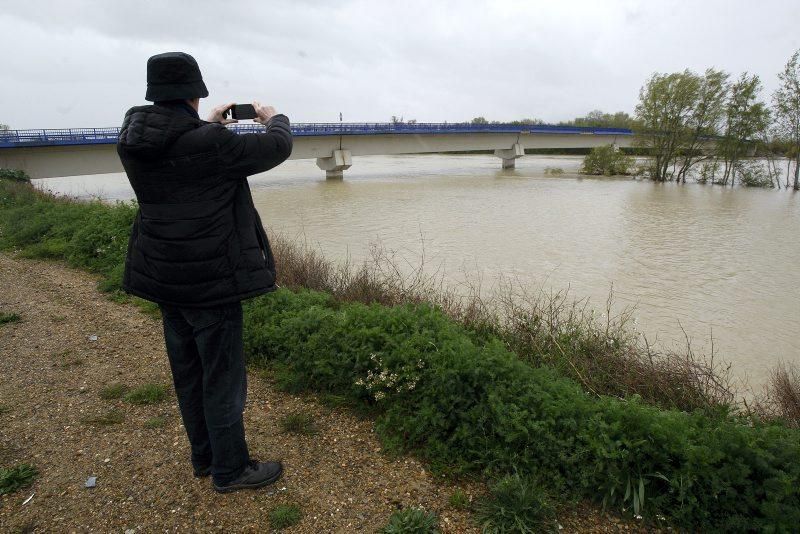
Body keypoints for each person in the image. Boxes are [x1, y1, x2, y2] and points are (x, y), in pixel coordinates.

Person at [116, 51, 293, 493]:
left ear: (153, 93)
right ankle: (231, 470)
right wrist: (276, 118)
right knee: (222, 378)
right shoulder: (212, 145)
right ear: (196, 94)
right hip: (212, 281)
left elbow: (183, 154)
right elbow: (276, 147)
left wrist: (209, 125)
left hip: (164, 276)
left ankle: (204, 458)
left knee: (188, 373)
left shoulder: (131, 140)